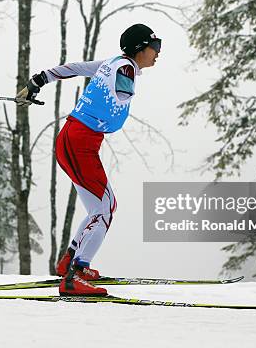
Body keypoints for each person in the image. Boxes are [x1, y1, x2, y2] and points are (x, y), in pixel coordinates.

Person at [16, 23, 161, 296]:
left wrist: (39, 80)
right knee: (105, 208)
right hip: (79, 142)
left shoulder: (113, 63)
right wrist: (119, 99)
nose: (157, 53)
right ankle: (73, 277)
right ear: (141, 48)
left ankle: (72, 263)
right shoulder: (125, 68)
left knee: (102, 207)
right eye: (155, 47)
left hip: (77, 140)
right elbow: (120, 95)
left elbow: (75, 68)